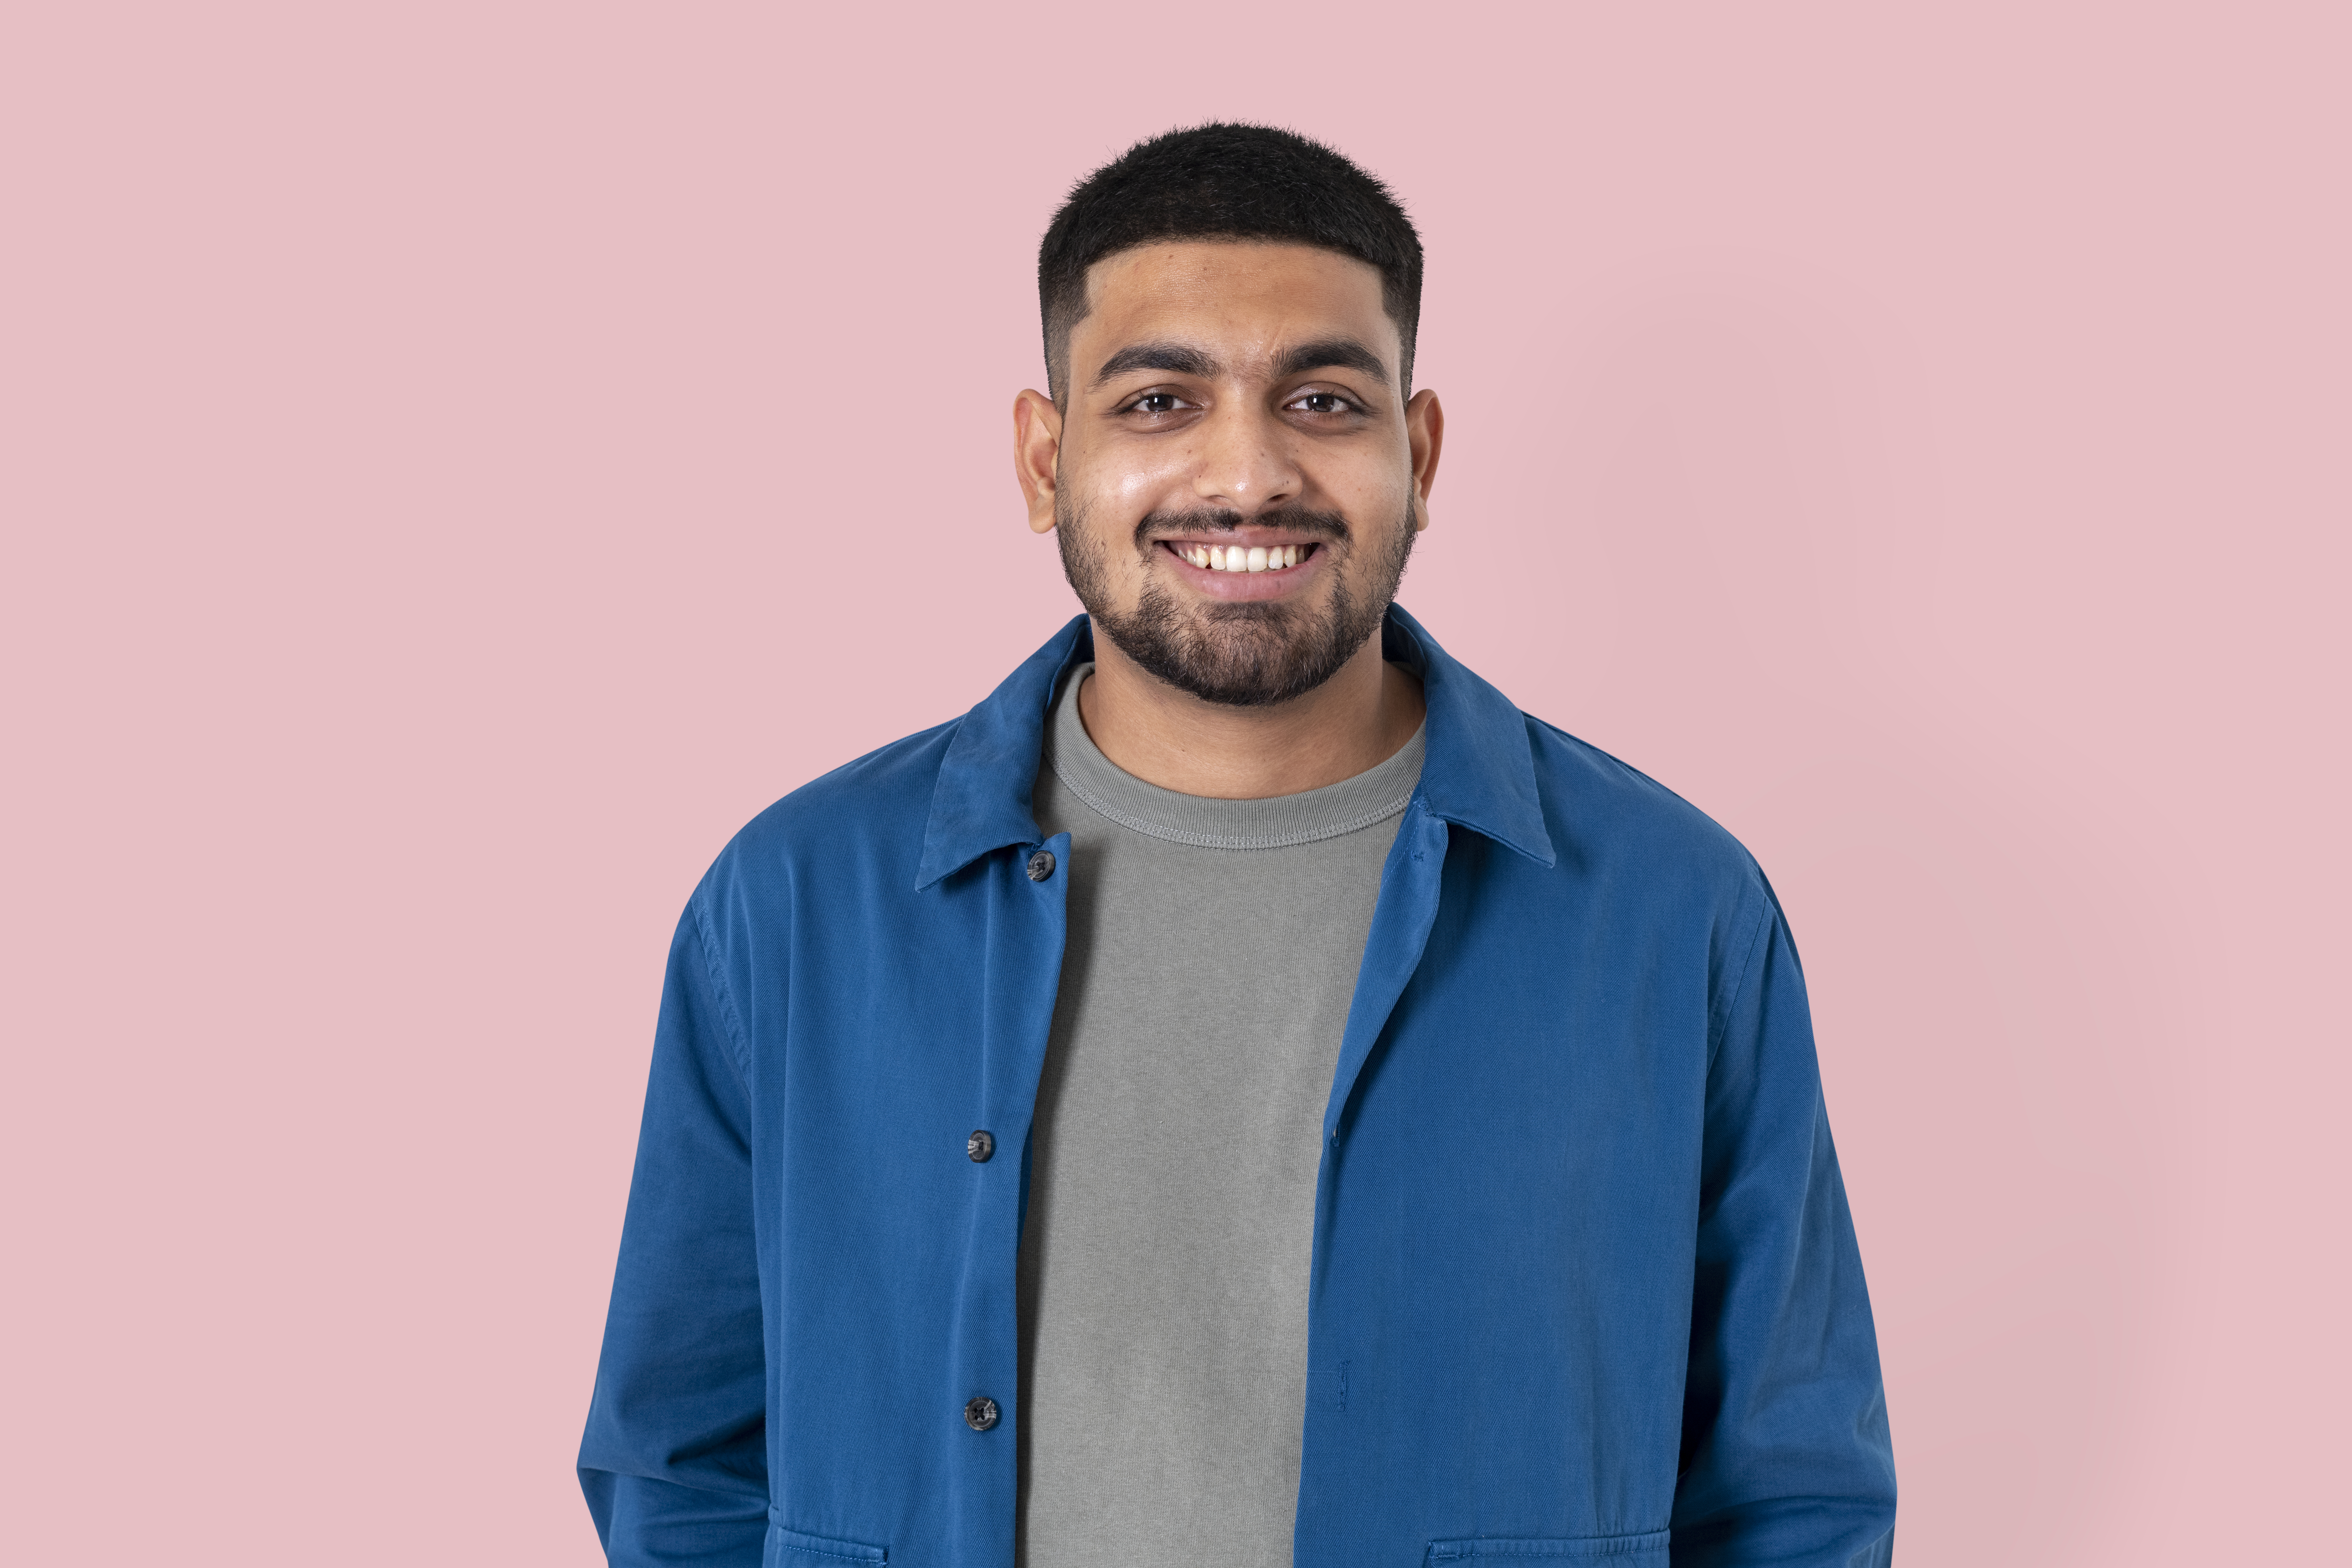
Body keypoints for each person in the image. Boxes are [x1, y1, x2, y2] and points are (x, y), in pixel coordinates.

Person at [579, 123, 1896, 1568]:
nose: (1248, 473)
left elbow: (1787, 1495)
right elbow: (679, 1463)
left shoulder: (1671, 910)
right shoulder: (794, 906)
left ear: (1421, 450)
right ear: (1043, 460)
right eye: (1158, 400)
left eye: (1324, 399)